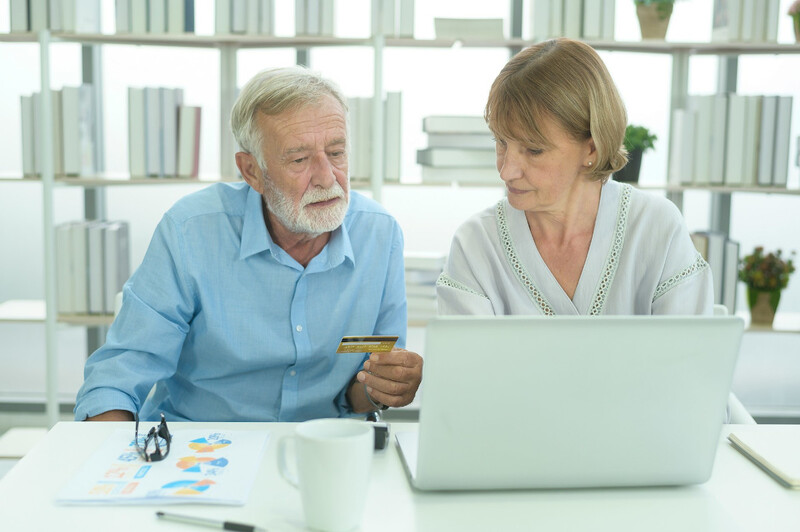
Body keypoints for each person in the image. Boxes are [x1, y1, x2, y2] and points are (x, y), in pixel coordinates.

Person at [75, 66, 422, 422]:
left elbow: (361, 390)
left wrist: (386, 387)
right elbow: (115, 382)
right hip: (201, 451)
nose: (326, 177)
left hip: (325, 451)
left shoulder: (380, 235)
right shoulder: (191, 232)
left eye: (336, 153)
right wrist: (118, 469)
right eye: (300, 160)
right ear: (251, 171)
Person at [437, 38, 713, 317]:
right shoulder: (476, 243)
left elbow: (691, 356)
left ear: (591, 148)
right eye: (501, 142)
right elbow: (465, 360)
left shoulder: (656, 228)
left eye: (534, 150)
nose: (506, 170)